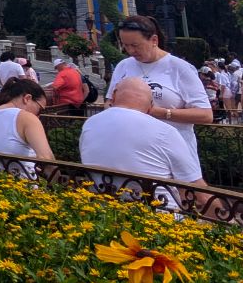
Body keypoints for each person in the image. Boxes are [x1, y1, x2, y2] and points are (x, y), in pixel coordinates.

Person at [106, 15, 213, 177]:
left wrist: (161, 112)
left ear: (154, 40)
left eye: (135, 45)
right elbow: (109, 102)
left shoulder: (180, 68)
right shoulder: (124, 66)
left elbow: (206, 115)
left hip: (173, 152)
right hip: (134, 149)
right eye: (125, 45)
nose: (130, 51)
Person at [80, 77, 206, 211]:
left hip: (102, 213)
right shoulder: (165, 132)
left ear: (114, 96)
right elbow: (199, 192)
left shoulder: (90, 123)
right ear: (151, 106)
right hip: (157, 219)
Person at [0, 77, 54, 178]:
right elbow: (46, 158)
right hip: (20, 187)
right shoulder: (27, 118)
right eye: (40, 109)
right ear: (27, 98)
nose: (39, 115)